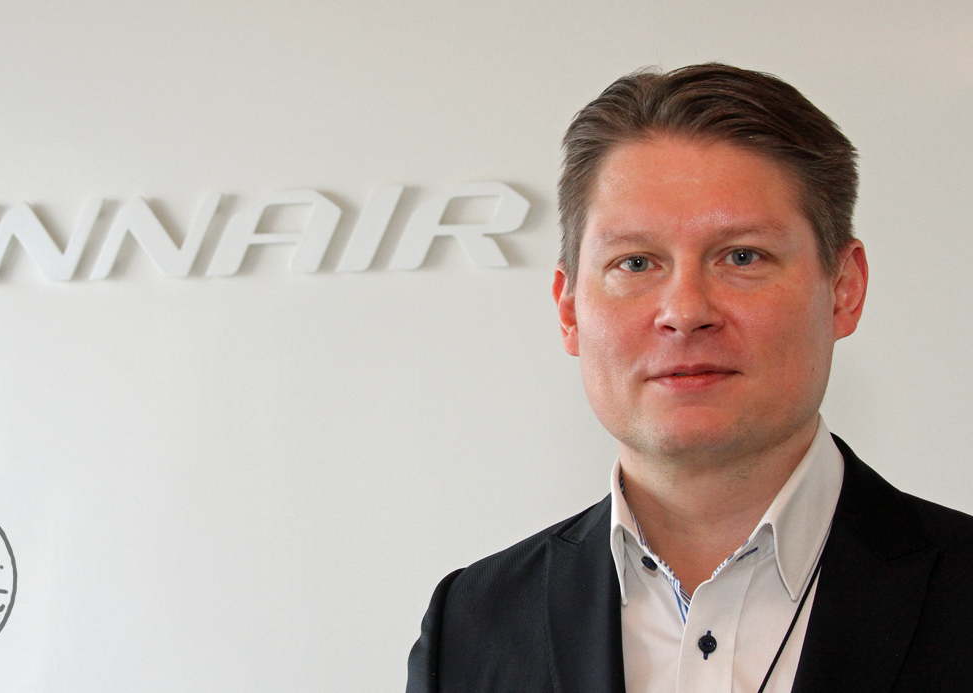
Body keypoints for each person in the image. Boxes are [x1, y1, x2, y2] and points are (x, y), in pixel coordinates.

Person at [406, 63, 973, 693]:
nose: (684, 311)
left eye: (742, 256)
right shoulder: (471, 625)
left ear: (844, 289)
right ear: (568, 311)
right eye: (636, 262)